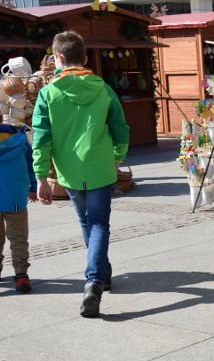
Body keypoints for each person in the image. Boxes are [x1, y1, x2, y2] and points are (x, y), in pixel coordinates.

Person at [32, 30, 130, 318]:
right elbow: (120, 130)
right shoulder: (104, 89)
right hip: (100, 166)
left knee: (88, 222)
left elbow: (41, 138)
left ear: (58, 58)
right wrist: (116, 158)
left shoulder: (48, 93)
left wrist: (40, 178)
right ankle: (99, 276)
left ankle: (95, 281)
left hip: (69, 171)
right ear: (85, 58)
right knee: (98, 223)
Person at [0, 122, 37, 292]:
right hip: (15, 195)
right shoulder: (20, 138)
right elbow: (31, 164)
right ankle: (21, 275)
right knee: (18, 238)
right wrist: (34, 188)